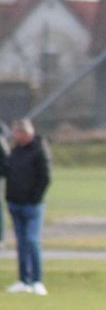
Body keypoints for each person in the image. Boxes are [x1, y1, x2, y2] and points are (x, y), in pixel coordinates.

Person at [1, 119, 51, 295]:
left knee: (32, 240)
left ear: (25, 133)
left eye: (17, 132)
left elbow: (45, 178)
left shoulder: (39, 150)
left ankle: (37, 280)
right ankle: (24, 280)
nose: (14, 135)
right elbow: (6, 171)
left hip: (32, 204)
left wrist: (34, 198)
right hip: (15, 202)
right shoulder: (15, 151)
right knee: (21, 243)